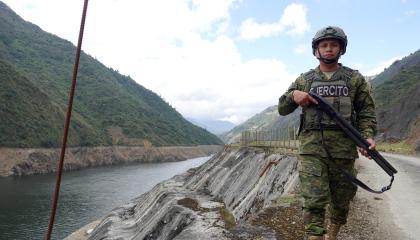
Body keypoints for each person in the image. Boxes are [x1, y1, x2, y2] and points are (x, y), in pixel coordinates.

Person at [278, 26, 377, 240]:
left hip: (343, 150)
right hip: (311, 149)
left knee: (341, 201)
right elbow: (282, 108)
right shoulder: (304, 80)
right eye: (324, 45)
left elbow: (366, 111)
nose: (329, 49)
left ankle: (332, 235)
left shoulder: (354, 79)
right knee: (313, 200)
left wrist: (366, 136)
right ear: (316, 51)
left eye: (334, 45)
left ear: (341, 49)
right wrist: (293, 95)